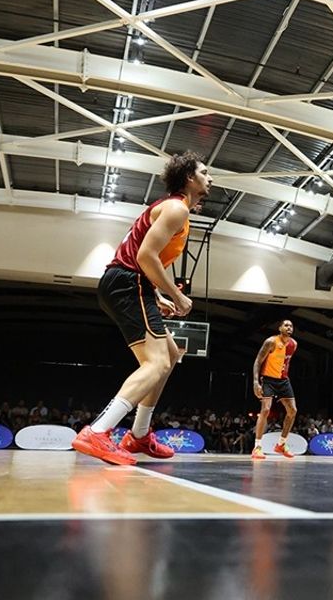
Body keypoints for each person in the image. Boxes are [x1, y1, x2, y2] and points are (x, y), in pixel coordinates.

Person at [71, 152, 209, 465]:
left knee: (170, 355)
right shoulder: (176, 208)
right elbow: (146, 256)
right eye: (204, 172)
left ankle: (139, 435)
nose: (209, 178)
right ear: (189, 178)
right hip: (127, 281)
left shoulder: (172, 208)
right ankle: (98, 430)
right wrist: (176, 295)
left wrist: (155, 296)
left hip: (129, 282)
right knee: (158, 363)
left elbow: (142, 257)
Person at [250, 319, 299, 460]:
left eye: (291, 325)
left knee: (292, 411)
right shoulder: (271, 342)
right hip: (268, 379)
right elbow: (258, 361)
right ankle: (257, 447)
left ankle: (281, 444)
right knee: (265, 410)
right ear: (280, 328)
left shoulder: (293, 344)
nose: (289, 327)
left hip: (283, 380)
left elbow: (285, 363)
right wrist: (255, 382)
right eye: (286, 325)